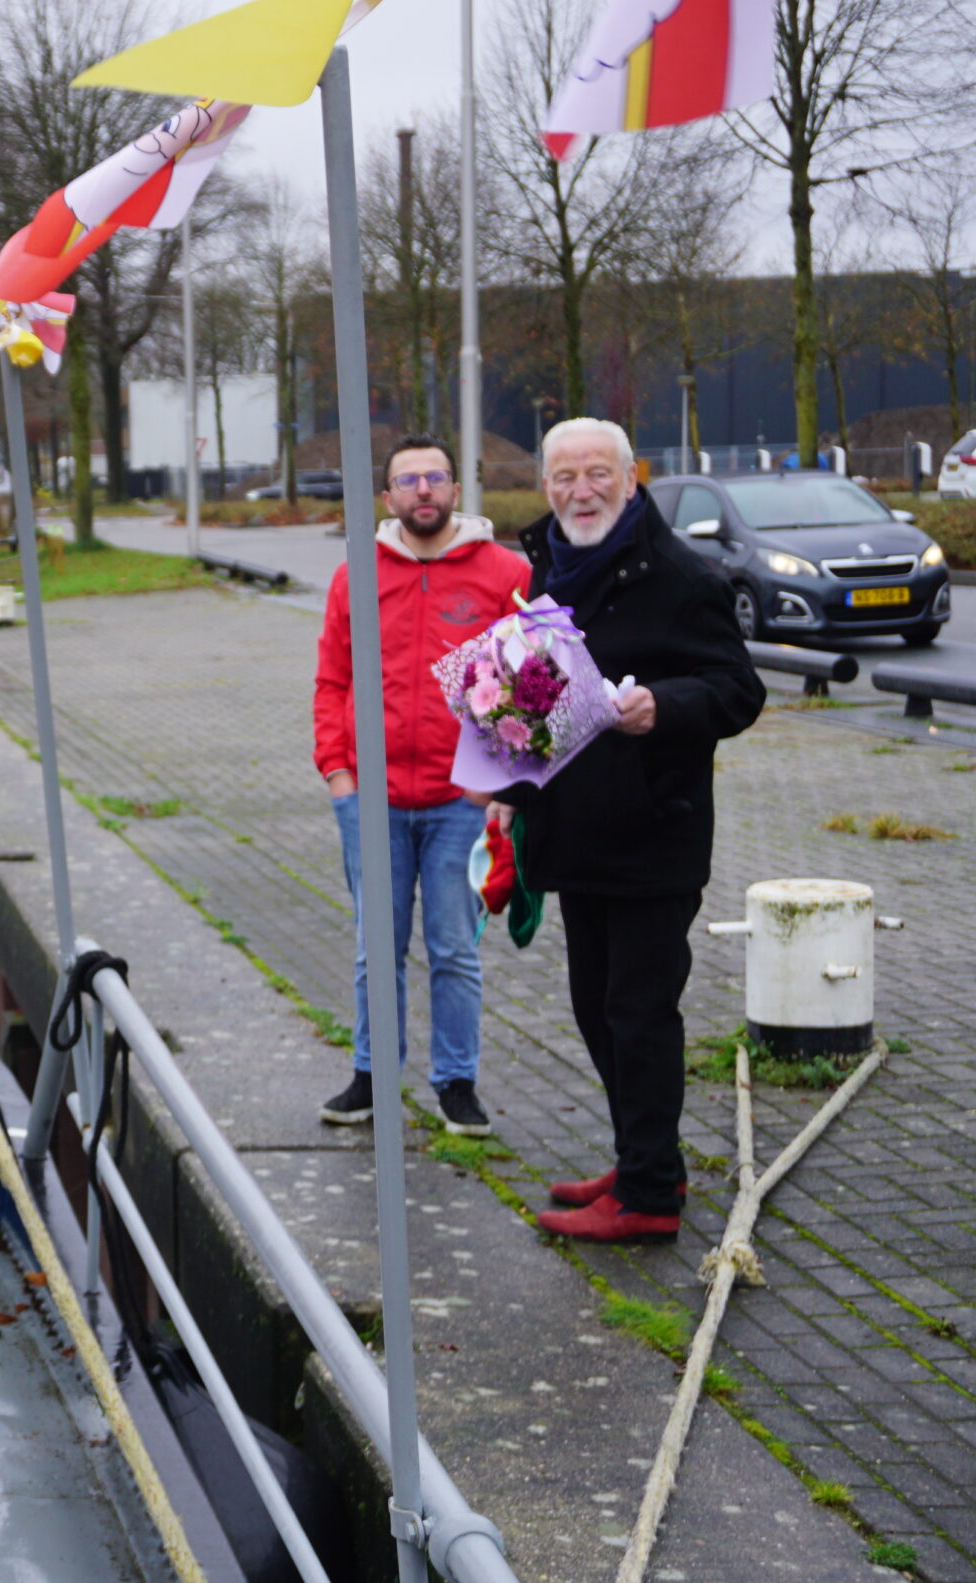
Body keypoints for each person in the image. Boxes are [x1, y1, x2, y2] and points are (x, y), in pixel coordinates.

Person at [512, 418, 764, 1244]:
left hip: (655, 831)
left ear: (631, 478)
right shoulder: (548, 566)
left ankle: (650, 1197)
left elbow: (738, 689)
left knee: (639, 1015)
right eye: (564, 477)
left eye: (597, 474)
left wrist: (666, 706)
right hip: (575, 832)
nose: (580, 491)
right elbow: (537, 691)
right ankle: (644, 1159)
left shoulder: (684, 577)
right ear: (545, 485)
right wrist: (506, 785)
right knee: (595, 1010)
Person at [312, 433, 530, 1138]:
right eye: (408, 481)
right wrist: (339, 775)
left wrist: (491, 786)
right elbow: (332, 680)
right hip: (369, 802)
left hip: (459, 803)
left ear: (456, 490)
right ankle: (372, 1075)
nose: (423, 490)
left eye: (435, 477)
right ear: (388, 497)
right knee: (376, 950)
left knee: (454, 949)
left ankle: (456, 1083)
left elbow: (530, 685)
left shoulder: (506, 573)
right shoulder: (356, 575)